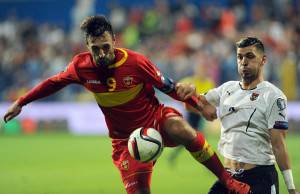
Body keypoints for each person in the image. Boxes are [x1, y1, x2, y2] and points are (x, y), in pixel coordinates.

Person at [3, 15, 250, 194]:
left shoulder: (136, 63)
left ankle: (228, 182)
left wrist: (200, 104)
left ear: (114, 41)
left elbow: (170, 87)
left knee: (182, 129)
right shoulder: (81, 67)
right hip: (125, 140)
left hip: (155, 119)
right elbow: (53, 83)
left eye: (105, 47)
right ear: (88, 46)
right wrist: (22, 102)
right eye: (95, 49)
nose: (101, 54)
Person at [186, 37, 298, 194]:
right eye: (240, 57)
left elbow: (278, 144)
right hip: (228, 178)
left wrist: (291, 188)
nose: (244, 62)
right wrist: (193, 100)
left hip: (260, 177)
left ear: (263, 60)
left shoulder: (274, 96)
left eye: (250, 56)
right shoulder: (226, 89)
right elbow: (192, 105)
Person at [168, 61, 215, 165]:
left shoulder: (208, 83)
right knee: (193, 138)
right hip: (192, 114)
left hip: (200, 115)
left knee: (195, 138)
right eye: (200, 70)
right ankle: (209, 162)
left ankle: (208, 161)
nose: (202, 72)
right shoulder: (189, 82)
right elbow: (177, 94)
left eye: (204, 70)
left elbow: (210, 99)